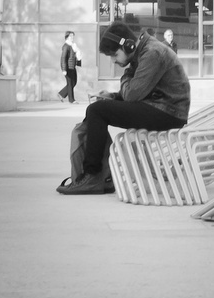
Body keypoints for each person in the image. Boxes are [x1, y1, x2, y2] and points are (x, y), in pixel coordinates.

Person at [57, 21, 191, 195]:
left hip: (168, 112)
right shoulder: (145, 51)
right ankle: (102, 177)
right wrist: (113, 97)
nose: (113, 61)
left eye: (114, 55)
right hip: (163, 108)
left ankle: (93, 176)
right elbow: (138, 92)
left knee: (97, 111)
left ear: (128, 45)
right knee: (99, 109)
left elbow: (132, 94)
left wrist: (127, 74)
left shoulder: (152, 53)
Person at [58, 31, 79, 103]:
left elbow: (75, 57)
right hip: (67, 68)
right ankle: (71, 100)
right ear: (67, 37)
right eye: (70, 36)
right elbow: (63, 58)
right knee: (70, 83)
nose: (72, 37)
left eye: (73, 36)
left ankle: (61, 94)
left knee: (74, 82)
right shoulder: (66, 46)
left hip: (72, 67)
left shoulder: (73, 46)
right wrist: (64, 69)